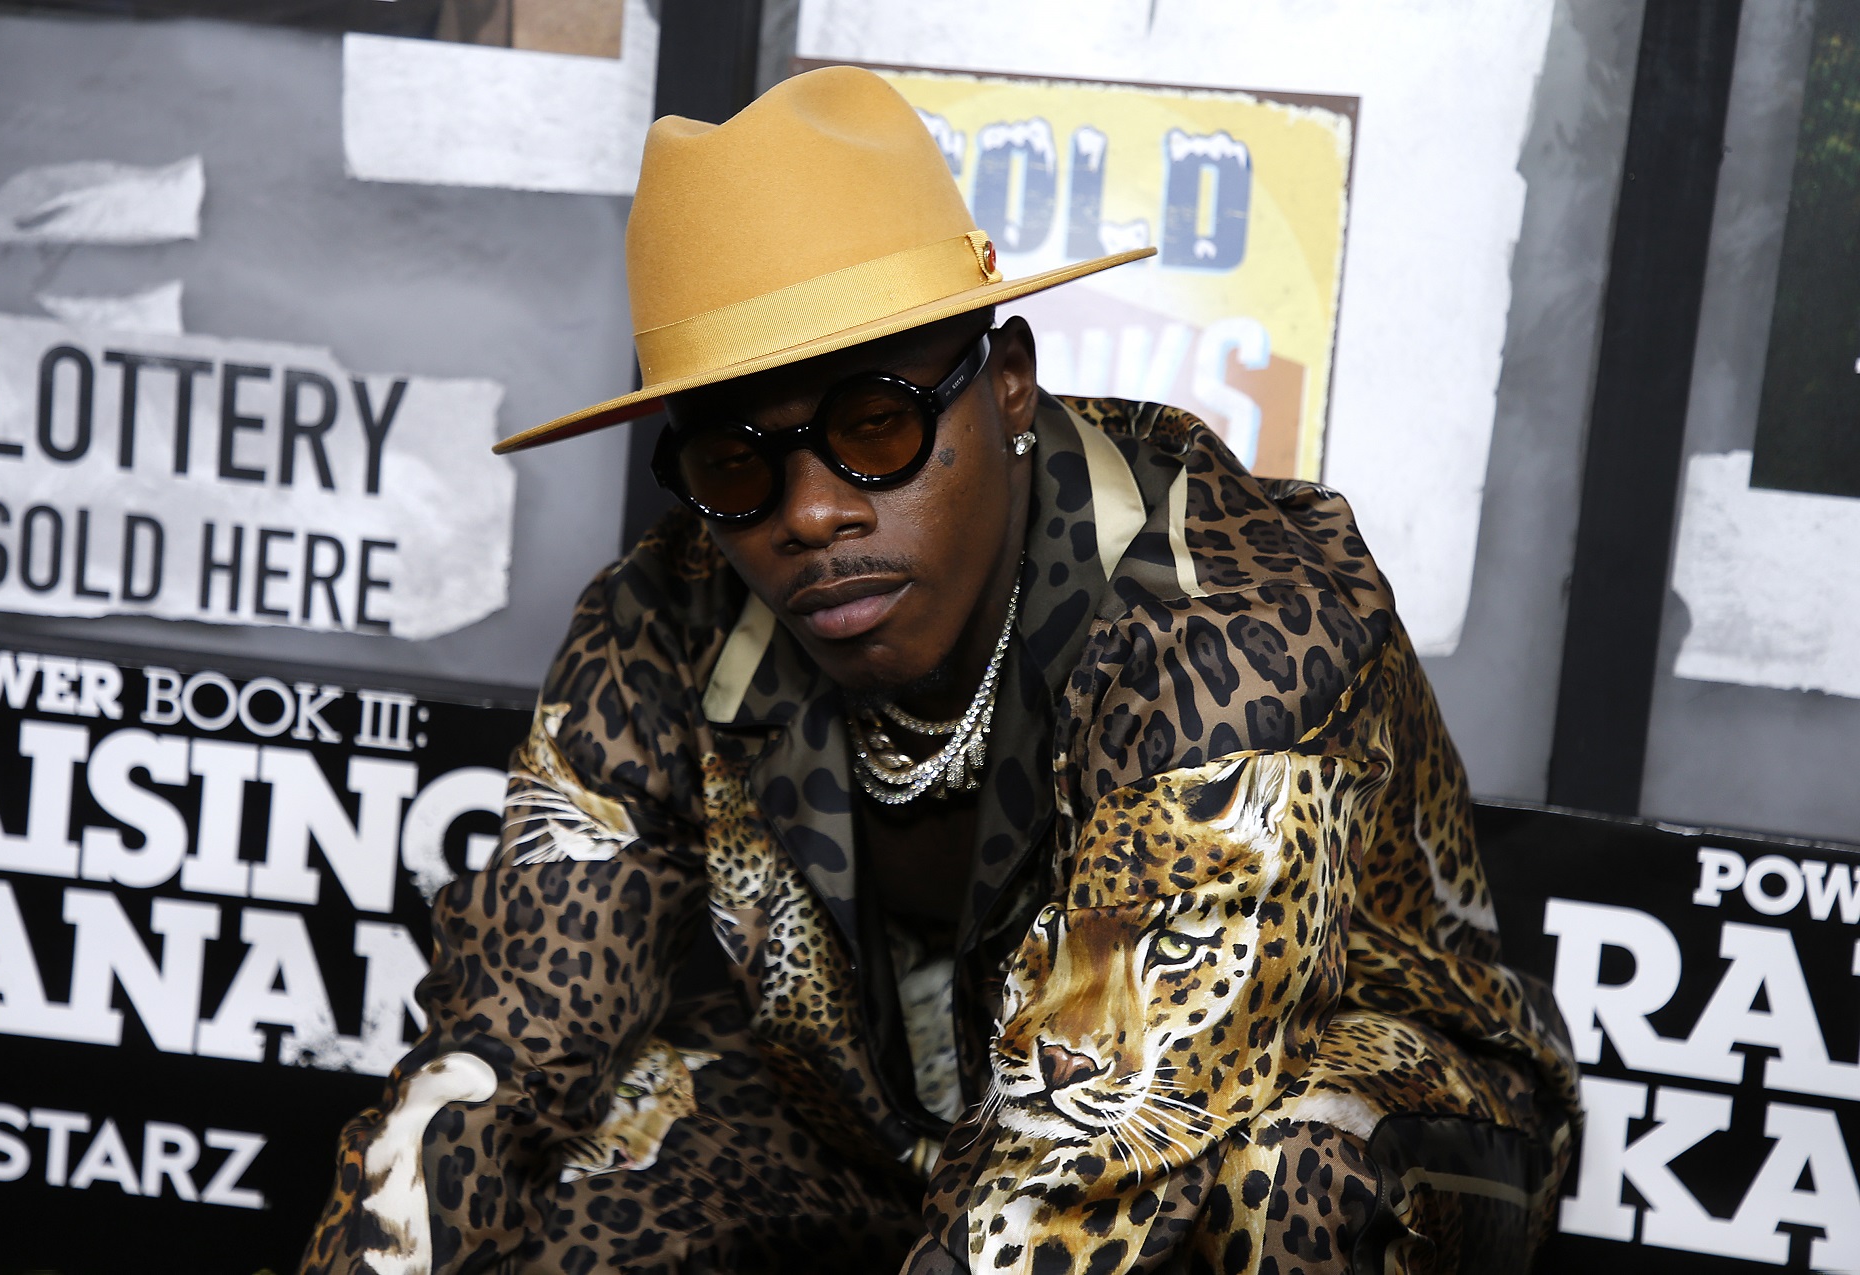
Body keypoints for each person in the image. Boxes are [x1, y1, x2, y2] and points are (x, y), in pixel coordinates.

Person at [301, 65, 1580, 1275]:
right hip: (880, 1112)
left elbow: (1085, 1172)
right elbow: (508, 1050)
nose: (809, 514)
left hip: (1281, 1111)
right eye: (737, 465)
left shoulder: (1226, 630)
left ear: (1007, 385)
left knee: (1287, 1161)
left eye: (874, 425)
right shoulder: (661, 616)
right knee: (586, 1153)